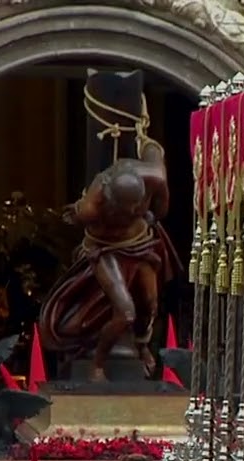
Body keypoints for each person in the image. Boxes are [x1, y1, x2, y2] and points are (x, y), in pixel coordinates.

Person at [38, 136, 183, 382]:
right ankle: (98, 364)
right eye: (122, 209)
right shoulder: (90, 206)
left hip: (140, 242)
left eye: (135, 207)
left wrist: (144, 140)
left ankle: (142, 344)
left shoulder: (155, 177)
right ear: (108, 198)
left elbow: (161, 206)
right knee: (125, 310)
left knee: (149, 302)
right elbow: (69, 221)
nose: (128, 213)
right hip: (104, 250)